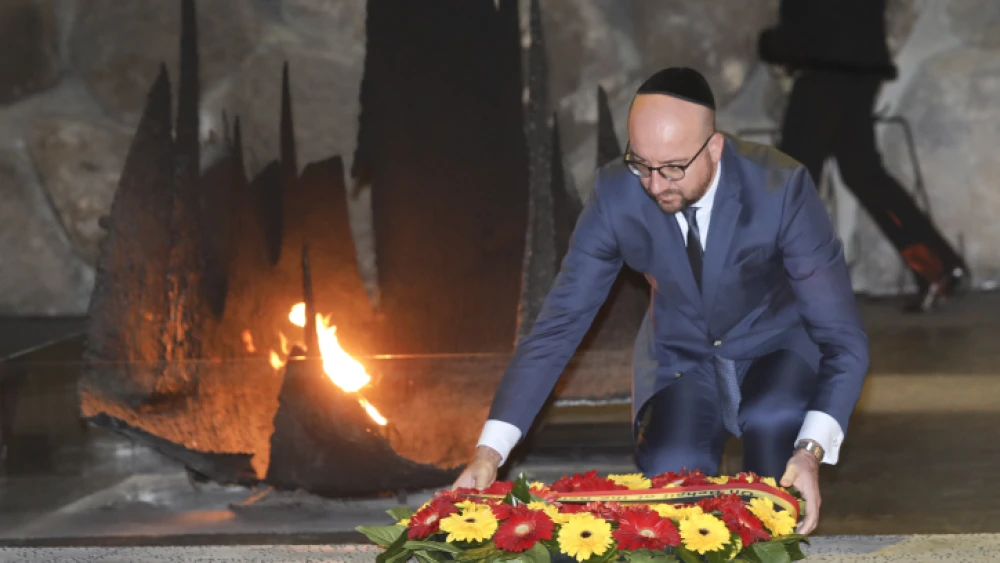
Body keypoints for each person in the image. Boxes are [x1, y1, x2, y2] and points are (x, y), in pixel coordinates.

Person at [451, 67, 870, 534]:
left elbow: (842, 337)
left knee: (775, 437)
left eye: (672, 168)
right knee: (674, 482)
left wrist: (811, 450)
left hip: (775, 346)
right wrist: (488, 454)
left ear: (714, 147)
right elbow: (559, 325)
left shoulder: (780, 187)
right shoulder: (616, 194)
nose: (654, 185)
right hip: (680, 355)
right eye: (641, 164)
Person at [758, 0, 968, 312]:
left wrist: (772, 44)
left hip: (824, 66)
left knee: (791, 179)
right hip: (858, 66)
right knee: (862, 173)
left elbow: (808, 19)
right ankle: (936, 265)